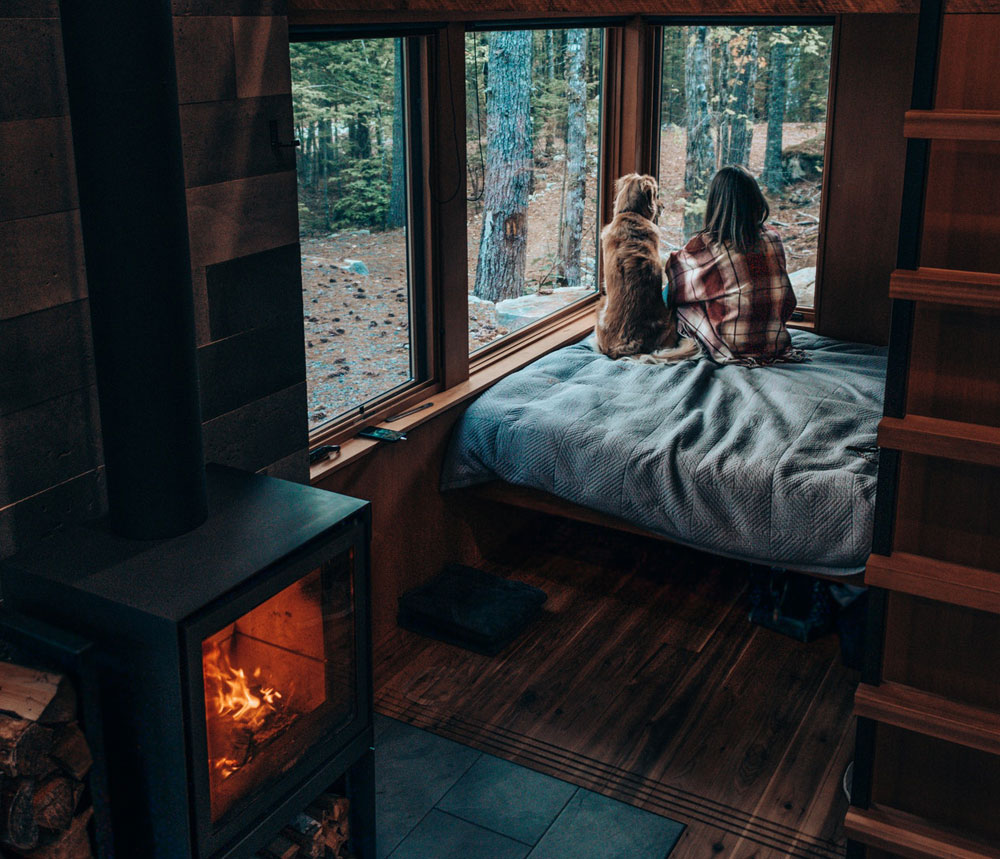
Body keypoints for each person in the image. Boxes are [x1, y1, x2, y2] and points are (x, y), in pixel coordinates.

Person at [664, 165, 806, 366]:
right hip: (774, 343)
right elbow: (788, 301)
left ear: (715, 204)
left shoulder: (707, 246)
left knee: (683, 303)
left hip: (732, 347)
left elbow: (669, 293)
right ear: (756, 200)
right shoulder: (773, 238)